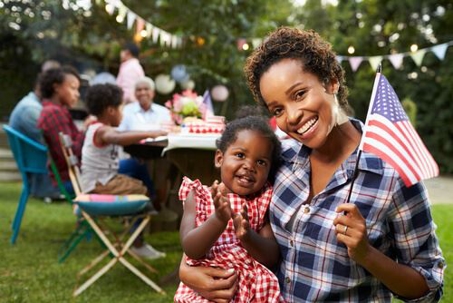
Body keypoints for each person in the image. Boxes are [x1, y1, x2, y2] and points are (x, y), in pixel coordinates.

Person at [178, 27, 445, 302]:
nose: (291, 117)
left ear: (330, 82)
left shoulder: (391, 174)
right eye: (277, 110)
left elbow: (428, 288)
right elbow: (231, 220)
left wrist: (367, 254)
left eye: (299, 94)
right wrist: (187, 269)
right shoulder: (279, 159)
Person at [175, 114, 283, 302]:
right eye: (240, 155)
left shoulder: (261, 201)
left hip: (252, 291)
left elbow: (272, 256)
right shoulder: (200, 196)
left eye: (261, 162)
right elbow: (190, 248)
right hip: (209, 291)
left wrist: (248, 236)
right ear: (219, 158)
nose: (249, 166)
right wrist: (218, 220)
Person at [81, 83, 167, 259]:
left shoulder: (99, 127)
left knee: (139, 183)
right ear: (111, 110)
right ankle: (138, 241)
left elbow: (120, 134)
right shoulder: (103, 130)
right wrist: (149, 133)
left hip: (102, 180)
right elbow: (117, 138)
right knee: (141, 191)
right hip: (99, 184)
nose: (123, 112)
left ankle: (148, 217)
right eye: (121, 108)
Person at [9, 60, 62, 200]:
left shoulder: (33, 106)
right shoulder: (31, 110)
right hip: (43, 177)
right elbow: (55, 145)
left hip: (40, 170)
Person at [37, 66, 94, 195]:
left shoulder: (58, 110)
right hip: (69, 180)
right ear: (56, 87)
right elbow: (69, 155)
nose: (77, 94)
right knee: (133, 168)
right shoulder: (53, 113)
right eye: (73, 88)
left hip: (73, 175)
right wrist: (85, 129)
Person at [119, 76, 173, 210]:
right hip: (133, 152)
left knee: (168, 165)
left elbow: (170, 131)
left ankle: (160, 203)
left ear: (153, 93)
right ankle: (152, 202)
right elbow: (120, 132)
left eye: (146, 89)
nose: (142, 92)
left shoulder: (164, 112)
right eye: (139, 90)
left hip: (160, 152)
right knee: (140, 164)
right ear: (134, 93)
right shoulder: (127, 111)